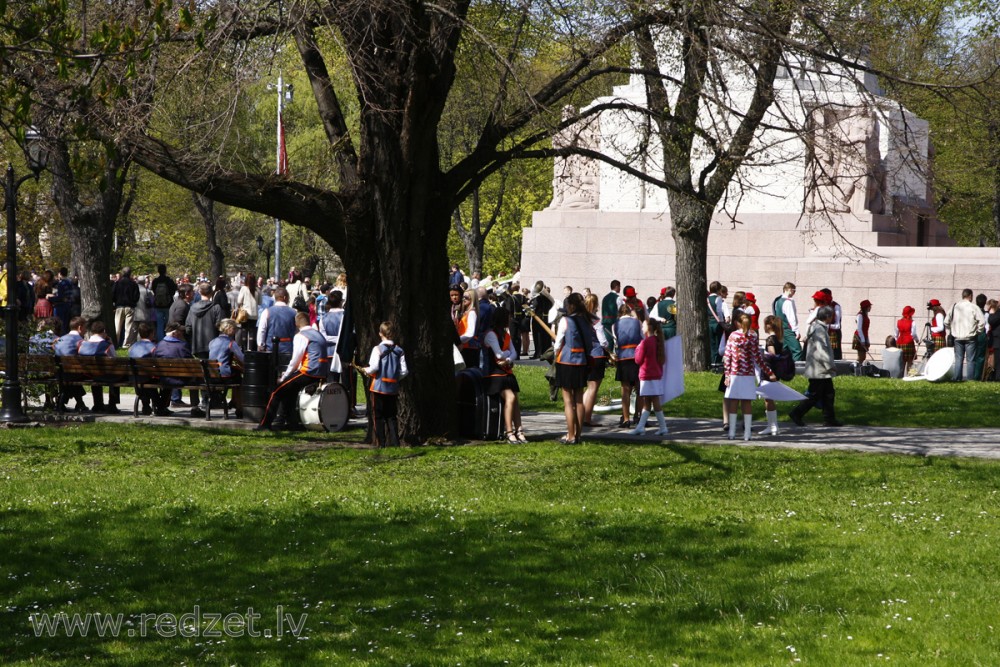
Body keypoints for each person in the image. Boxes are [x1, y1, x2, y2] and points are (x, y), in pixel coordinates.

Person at [256, 312, 331, 432]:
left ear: (296, 323)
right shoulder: (318, 334)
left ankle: (265, 424)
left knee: (276, 392)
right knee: (290, 392)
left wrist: (284, 376)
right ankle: (292, 423)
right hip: (321, 372)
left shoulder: (301, 336)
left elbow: (295, 360)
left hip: (308, 372)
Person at [723, 312, 776, 441]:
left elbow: (727, 356)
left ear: (737, 323)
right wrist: (769, 372)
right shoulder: (753, 336)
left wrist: (727, 375)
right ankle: (747, 433)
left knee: (734, 402)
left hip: (735, 373)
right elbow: (758, 357)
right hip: (748, 374)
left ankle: (732, 432)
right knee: (747, 402)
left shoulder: (733, 336)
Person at [788, 306, 842, 427]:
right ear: (827, 316)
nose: (832, 318)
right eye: (831, 315)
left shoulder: (817, 327)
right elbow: (821, 349)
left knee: (828, 393)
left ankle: (829, 418)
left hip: (819, 368)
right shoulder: (819, 329)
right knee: (814, 395)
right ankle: (797, 413)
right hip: (820, 369)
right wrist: (830, 365)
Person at [553, 292, 593, 444]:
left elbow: (558, 342)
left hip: (566, 362)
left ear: (571, 305)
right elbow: (589, 343)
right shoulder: (586, 320)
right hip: (581, 361)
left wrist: (554, 354)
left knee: (568, 401)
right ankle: (578, 434)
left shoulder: (566, 321)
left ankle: (570, 435)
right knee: (579, 400)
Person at [361, 320, 408, 446]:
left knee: (378, 416)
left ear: (380, 333)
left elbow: (374, 367)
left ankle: (381, 442)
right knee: (391, 416)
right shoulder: (399, 350)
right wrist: (395, 378)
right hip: (392, 388)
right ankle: (395, 442)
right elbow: (404, 371)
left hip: (378, 387)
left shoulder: (377, 349)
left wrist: (366, 370)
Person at [482, 308, 526, 443]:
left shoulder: (505, 334)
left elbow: (514, 353)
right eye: (508, 317)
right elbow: (498, 354)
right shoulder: (491, 334)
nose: (510, 320)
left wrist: (507, 359)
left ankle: (519, 430)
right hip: (494, 374)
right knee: (510, 397)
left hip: (506, 371)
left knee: (515, 400)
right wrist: (507, 355)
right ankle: (509, 431)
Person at [629, 317, 670, 436]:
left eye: (644, 325)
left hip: (647, 375)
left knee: (653, 401)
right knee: (648, 402)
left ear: (649, 327)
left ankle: (662, 427)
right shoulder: (658, 341)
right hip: (656, 374)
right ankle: (641, 427)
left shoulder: (645, 342)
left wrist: (637, 350)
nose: (642, 327)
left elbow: (638, 360)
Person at [78, 321, 120, 414]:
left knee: (96, 374)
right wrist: (111, 343)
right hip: (105, 374)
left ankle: (98, 404)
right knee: (116, 374)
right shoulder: (107, 345)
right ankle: (112, 405)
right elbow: (114, 359)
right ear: (104, 331)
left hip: (89, 375)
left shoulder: (83, 345)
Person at [581, 293, 610, 428]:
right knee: (593, 388)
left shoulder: (580, 319)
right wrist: (609, 349)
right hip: (597, 355)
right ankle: (587, 418)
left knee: (587, 387)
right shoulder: (595, 320)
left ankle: (581, 415)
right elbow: (603, 341)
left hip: (585, 355)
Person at [944, 288, 985, 382]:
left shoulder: (955, 306)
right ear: (970, 296)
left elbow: (946, 322)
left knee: (958, 358)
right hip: (970, 337)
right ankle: (970, 379)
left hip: (957, 337)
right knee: (971, 360)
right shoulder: (973, 307)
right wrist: (978, 331)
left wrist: (952, 329)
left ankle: (957, 378)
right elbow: (982, 322)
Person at [152, 321, 193, 414]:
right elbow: (191, 361)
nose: (181, 333)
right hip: (180, 378)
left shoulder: (159, 345)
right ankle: (195, 407)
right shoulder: (183, 346)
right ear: (174, 333)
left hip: (163, 378)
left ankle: (161, 407)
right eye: (180, 331)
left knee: (168, 378)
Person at [208, 318, 245, 416]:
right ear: (229, 329)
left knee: (236, 375)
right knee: (239, 380)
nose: (236, 331)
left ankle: (234, 401)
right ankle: (240, 408)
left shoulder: (212, 342)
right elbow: (242, 358)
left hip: (211, 375)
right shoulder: (231, 343)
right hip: (224, 376)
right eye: (234, 329)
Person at [613, 303, 642, 428]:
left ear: (619, 313)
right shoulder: (637, 322)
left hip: (623, 357)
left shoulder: (615, 325)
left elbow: (615, 341)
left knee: (625, 389)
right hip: (636, 355)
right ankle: (638, 415)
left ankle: (625, 418)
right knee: (639, 387)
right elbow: (642, 338)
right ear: (629, 312)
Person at [53, 316, 89, 412]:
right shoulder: (80, 341)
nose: (85, 331)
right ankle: (79, 404)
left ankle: (72, 403)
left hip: (58, 373)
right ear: (80, 328)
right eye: (85, 328)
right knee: (74, 375)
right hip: (73, 373)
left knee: (69, 377)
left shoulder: (59, 340)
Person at [758, 315, 785, 436]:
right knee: (769, 399)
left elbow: (771, 355)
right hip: (775, 371)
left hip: (769, 371)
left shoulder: (770, 339)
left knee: (768, 399)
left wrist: (764, 357)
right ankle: (772, 425)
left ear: (769, 325)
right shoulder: (778, 339)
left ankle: (773, 426)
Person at [128, 322, 161, 416]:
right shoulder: (154, 347)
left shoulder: (132, 347)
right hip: (148, 377)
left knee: (145, 380)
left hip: (134, 377)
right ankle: (158, 405)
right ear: (151, 334)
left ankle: (146, 405)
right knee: (153, 379)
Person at [257, 287, 297, 354]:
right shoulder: (294, 313)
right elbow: (297, 331)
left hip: (270, 349)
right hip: (288, 350)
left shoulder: (266, 312)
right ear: (285, 297)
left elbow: (262, 330)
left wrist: (261, 345)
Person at [773, 282, 802, 361]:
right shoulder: (788, 302)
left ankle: (783, 369)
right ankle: (795, 369)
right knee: (797, 350)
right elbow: (791, 318)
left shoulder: (777, 301)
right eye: (794, 290)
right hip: (788, 329)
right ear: (789, 290)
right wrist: (796, 331)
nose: (794, 293)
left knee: (784, 350)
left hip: (780, 329)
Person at [112, 267, 140, 348]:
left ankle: (116, 343)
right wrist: (133, 302)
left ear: (122, 273)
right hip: (130, 306)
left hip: (119, 306)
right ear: (130, 273)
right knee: (128, 327)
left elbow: (112, 294)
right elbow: (136, 296)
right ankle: (126, 344)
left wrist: (115, 302)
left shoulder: (117, 283)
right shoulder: (133, 284)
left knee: (117, 326)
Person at [321, 290, 346, 382]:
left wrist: (333, 339)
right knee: (346, 383)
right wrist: (340, 339)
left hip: (329, 352)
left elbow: (323, 337)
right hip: (344, 353)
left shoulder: (324, 318)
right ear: (341, 302)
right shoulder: (345, 317)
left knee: (331, 383)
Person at [150, 264, 178, 341]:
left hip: (158, 305)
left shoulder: (155, 281)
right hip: (168, 305)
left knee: (159, 324)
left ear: (158, 271)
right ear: (165, 271)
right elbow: (174, 291)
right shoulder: (169, 280)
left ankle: (160, 340)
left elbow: (154, 291)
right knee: (169, 323)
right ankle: (168, 338)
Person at [529, 281, 555, 359]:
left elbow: (533, 307)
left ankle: (538, 353)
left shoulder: (538, 298)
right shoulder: (548, 299)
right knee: (546, 337)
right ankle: (546, 352)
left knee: (537, 337)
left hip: (538, 319)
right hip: (547, 319)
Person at [455, 288, 480, 369]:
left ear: (472, 299)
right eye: (463, 296)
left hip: (469, 348)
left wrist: (457, 340)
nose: (463, 299)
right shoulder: (465, 312)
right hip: (466, 347)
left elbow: (470, 333)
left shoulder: (472, 313)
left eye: (466, 297)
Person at [236, 271, 260, 351]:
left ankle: (244, 349)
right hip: (254, 314)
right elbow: (260, 302)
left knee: (244, 331)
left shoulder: (244, 288)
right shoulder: (257, 290)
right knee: (252, 332)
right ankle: (251, 349)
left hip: (245, 314)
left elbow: (239, 301)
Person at [894, 306, 918, 376]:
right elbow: (913, 334)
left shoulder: (898, 322)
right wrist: (917, 340)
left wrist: (896, 342)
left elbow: (896, 334)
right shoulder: (912, 322)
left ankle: (900, 376)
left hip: (900, 342)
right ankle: (910, 376)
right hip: (909, 343)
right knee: (910, 362)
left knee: (902, 362)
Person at [852, 299, 873, 363]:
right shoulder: (860, 315)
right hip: (859, 337)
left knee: (863, 357)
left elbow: (866, 330)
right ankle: (856, 369)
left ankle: (860, 369)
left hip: (864, 336)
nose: (870, 308)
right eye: (869, 306)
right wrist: (863, 340)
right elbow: (859, 329)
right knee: (861, 356)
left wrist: (867, 340)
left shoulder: (865, 315)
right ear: (866, 307)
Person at [987, 299, 1000, 381]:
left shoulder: (998, 313)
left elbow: (991, 321)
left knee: (998, 362)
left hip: (998, 340)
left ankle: (998, 378)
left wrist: (991, 313)